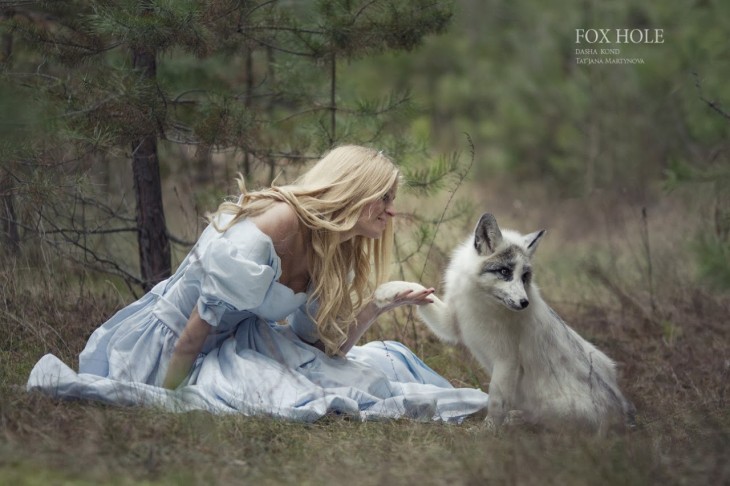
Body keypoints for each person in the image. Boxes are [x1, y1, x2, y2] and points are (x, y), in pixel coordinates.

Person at [27, 145, 489, 422]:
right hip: (170, 348)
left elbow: (320, 348)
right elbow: (193, 336)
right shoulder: (270, 231)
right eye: (384, 198)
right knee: (302, 391)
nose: (391, 211)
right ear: (354, 191)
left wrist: (383, 302)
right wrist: (168, 400)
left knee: (358, 377)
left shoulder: (334, 247)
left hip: (238, 344)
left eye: (393, 200)